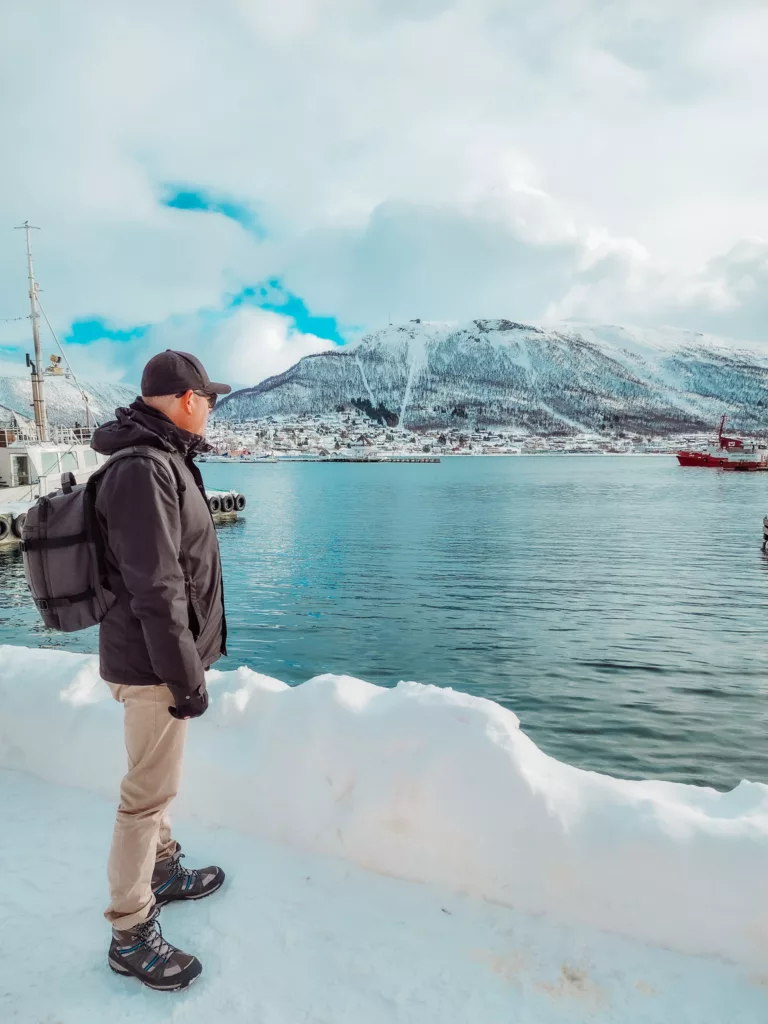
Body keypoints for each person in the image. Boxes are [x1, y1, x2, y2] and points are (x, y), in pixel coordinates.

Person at [90, 350, 232, 991]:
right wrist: (185, 676)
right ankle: (129, 932)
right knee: (145, 798)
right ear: (184, 398)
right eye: (207, 397)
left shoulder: (162, 459)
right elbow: (157, 587)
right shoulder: (146, 468)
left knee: (156, 785)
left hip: (155, 660)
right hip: (154, 667)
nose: (210, 407)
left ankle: (163, 870)